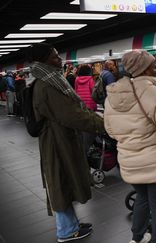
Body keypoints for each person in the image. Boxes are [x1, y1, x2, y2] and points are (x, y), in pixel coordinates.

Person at [104, 50, 156, 243]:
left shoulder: (113, 96)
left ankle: (137, 238)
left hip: (130, 162)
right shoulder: (154, 93)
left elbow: (110, 131)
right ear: (143, 69)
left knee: (142, 199)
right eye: (154, 65)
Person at [29, 43, 105, 242]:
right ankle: (66, 231)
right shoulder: (47, 85)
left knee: (62, 181)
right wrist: (104, 125)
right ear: (44, 60)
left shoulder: (47, 80)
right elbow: (72, 114)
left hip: (58, 138)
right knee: (60, 182)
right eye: (55, 56)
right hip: (57, 142)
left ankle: (71, 224)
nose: (59, 59)